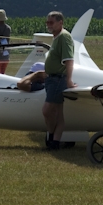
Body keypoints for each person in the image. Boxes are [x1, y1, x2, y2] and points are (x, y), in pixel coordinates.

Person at [42, 11, 75, 149]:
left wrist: (69, 80)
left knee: (47, 110)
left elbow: (69, 59)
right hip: (51, 79)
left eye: (51, 22)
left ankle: (51, 136)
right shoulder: (56, 37)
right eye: (47, 22)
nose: (48, 25)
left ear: (60, 23)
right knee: (58, 113)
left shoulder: (64, 37)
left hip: (58, 79)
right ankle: (55, 142)